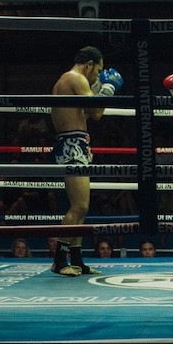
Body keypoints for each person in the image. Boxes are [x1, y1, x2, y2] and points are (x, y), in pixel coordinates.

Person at [51, 45, 109, 276]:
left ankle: (76, 259)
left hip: (76, 143)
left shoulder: (69, 80)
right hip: (71, 145)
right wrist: (108, 88)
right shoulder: (75, 78)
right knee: (79, 206)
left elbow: (85, 114)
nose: (97, 75)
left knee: (82, 207)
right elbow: (97, 113)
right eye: (98, 71)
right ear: (89, 65)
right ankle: (59, 260)